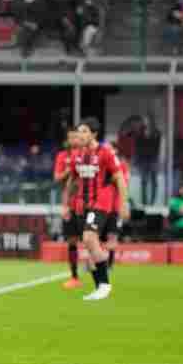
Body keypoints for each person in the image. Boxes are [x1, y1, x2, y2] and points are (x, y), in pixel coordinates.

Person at [64, 118, 130, 301]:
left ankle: (104, 285)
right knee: (90, 245)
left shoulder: (106, 153)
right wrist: (66, 204)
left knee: (89, 238)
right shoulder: (77, 155)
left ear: (94, 134)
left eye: (84, 131)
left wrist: (124, 204)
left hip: (100, 203)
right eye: (79, 132)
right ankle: (99, 287)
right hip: (81, 205)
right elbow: (72, 181)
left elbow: (119, 179)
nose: (80, 135)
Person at [55, 127, 83, 289]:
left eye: (76, 137)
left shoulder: (88, 155)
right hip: (71, 204)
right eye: (71, 137)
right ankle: (74, 276)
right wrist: (69, 169)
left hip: (88, 204)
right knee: (72, 240)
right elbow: (58, 178)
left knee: (91, 239)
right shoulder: (63, 156)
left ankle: (100, 275)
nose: (74, 140)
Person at [103, 142, 131, 270]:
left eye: (109, 148)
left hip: (115, 206)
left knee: (112, 235)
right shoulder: (100, 165)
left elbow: (123, 183)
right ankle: (96, 261)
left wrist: (123, 205)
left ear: (115, 150)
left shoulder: (121, 166)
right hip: (101, 205)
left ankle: (110, 263)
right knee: (96, 235)